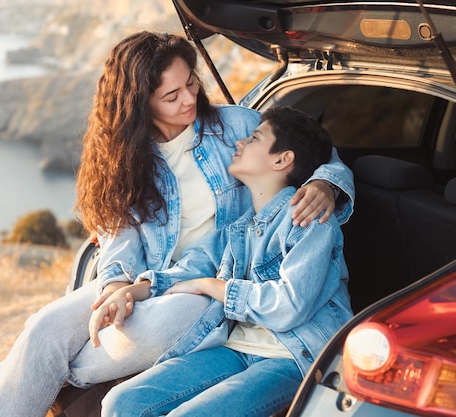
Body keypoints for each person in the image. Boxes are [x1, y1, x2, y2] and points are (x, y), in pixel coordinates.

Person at [0, 31, 355, 417]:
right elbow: (118, 239)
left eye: (191, 83)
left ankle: (32, 374)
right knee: (45, 328)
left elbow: (313, 151)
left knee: (123, 336)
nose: (190, 99)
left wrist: (326, 183)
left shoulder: (238, 129)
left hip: (208, 295)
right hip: (156, 278)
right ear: (140, 104)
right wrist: (121, 288)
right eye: (171, 96)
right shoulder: (125, 157)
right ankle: (28, 373)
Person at [101, 106, 354, 417]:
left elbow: (289, 305)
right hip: (237, 348)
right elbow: (188, 268)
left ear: (282, 159)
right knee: (121, 402)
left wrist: (211, 285)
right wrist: (129, 291)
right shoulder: (239, 228)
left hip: (295, 356)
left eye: (254, 138)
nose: (240, 143)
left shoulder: (310, 220)